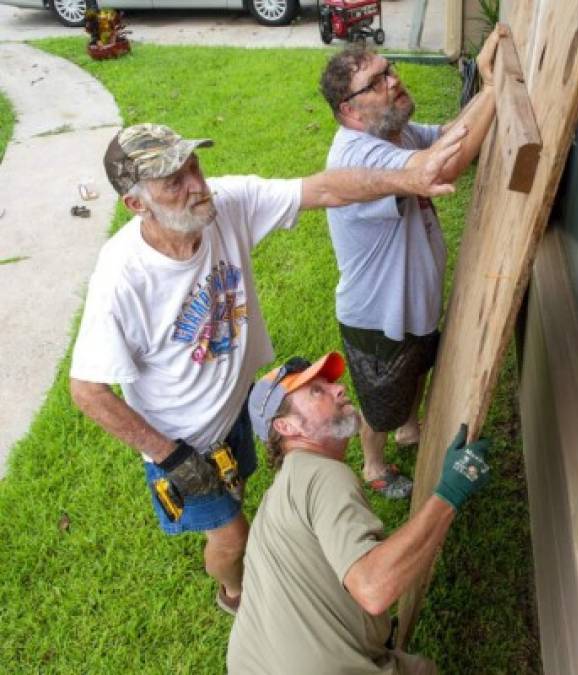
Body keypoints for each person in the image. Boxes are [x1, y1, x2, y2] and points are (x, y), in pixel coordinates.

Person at [68, 122, 466, 615]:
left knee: (244, 489)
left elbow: (322, 187)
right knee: (232, 537)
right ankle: (236, 595)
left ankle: (242, 531)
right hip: (185, 441)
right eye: (173, 181)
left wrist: (409, 176)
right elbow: (86, 390)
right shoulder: (121, 277)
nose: (196, 183)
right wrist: (171, 458)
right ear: (136, 204)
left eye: (193, 164)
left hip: (235, 408)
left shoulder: (224, 206)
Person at [318, 25, 508, 499]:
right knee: (381, 404)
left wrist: (482, 89)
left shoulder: (394, 134)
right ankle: (374, 463)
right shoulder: (358, 158)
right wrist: (494, 88)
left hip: (411, 304)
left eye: (389, 70)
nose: (394, 81)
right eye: (377, 82)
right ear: (349, 110)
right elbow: (443, 166)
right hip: (378, 317)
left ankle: (410, 427)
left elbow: (448, 137)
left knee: (415, 370)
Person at [227, 353, 491, 674]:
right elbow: (373, 588)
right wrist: (451, 490)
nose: (338, 390)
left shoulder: (275, 501)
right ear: (286, 426)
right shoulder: (323, 475)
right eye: (316, 391)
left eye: (330, 384)